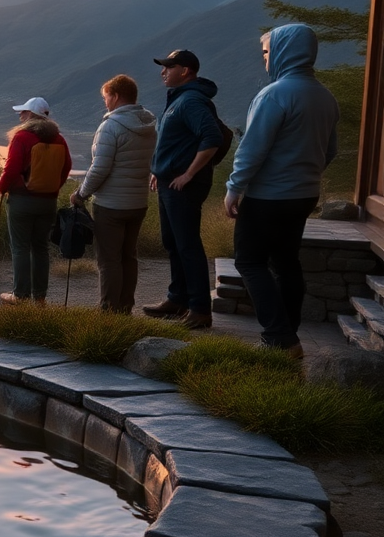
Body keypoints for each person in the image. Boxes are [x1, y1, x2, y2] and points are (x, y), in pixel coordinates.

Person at [224, 24, 338, 359]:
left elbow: (252, 149)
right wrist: (304, 175)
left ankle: (279, 338)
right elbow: (329, 151)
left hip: (268, 197)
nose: (264, 59)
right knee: (287, 263)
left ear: (284, 51)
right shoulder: (325, 96)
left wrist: (234, 187)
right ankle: (289, 335)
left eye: (266, 52)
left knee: (249, 261)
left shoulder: (275, 94)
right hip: (304, 194)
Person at [142, 49, 224, 329]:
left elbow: (211, 137)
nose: (163, 72)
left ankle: (200, 309)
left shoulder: (191, 100)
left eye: (169, 66)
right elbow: (177, 142)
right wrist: (159, 172)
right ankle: (177, 299)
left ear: (186, 70)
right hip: (168, 181)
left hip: (183, 187)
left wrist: (189, 174)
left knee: (187, 245)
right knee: (173, 242)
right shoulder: (179, 99)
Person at [71, 75, 156, 313]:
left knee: (109, 260)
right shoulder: (148, 125)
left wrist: (81, 193)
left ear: (116, 96)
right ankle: (125, 307)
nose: (105, 102)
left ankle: (109, 311)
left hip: (111, 204)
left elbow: (100, 168)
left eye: (106, 97)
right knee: (129, 257)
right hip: (138, 202)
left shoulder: (111, 126)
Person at [0, 97, 71, 303]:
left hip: (22, 201)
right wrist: (54, 187)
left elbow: (11, 169)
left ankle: (19, 295)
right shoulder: (59, 139)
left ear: (31, 115)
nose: (20, 116)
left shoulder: (22, 137)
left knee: (20, 247)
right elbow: (66, 168)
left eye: (23, 112)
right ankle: (39, 298)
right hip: (48, 202)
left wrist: (1, 188)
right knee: (41, 247)